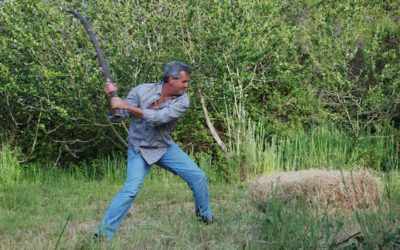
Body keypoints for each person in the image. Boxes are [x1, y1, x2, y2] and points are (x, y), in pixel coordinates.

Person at [94, 61, 214, 240]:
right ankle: (103, 235)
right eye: (184, 81)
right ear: (171, 79)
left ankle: (205, 217)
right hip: (139, 148)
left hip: (164, 147)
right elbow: (119, 115)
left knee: (198, 176)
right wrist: (111, 98)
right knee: (131, 189)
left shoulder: (183, 100)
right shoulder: (142, 90)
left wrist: (126, 106)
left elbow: (159, 118)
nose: (186, 85)